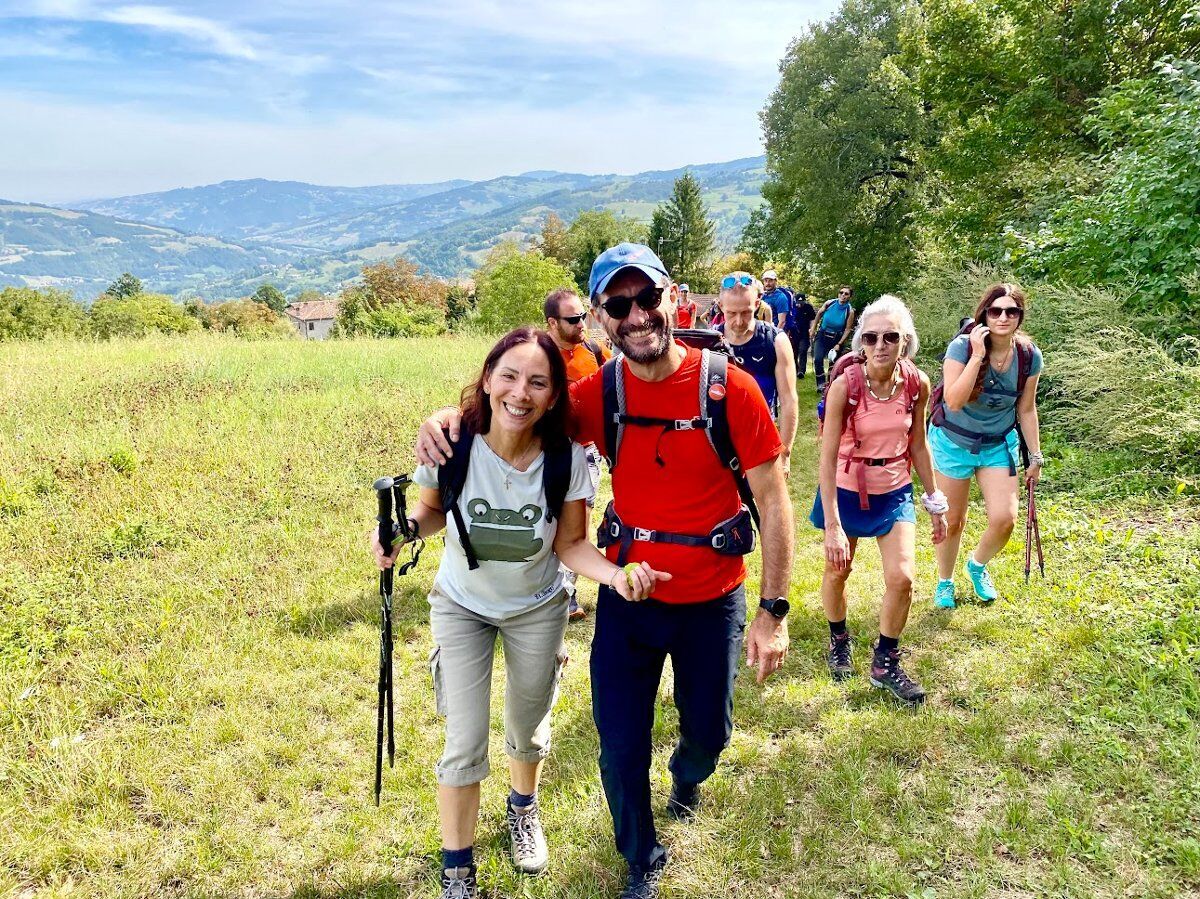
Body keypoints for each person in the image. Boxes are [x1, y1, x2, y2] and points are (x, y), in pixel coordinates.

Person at [416, 243, 794, 899]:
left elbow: (773, 498)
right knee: (620, 749)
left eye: (647, 297)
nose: (637, 314)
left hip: (714, 600)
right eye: (619, 304)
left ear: (671, 297)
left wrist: (773, 612)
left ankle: (689, 772)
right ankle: (641, 857)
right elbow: (514, 410)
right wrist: (448, 418)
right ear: (599, 317)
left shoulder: (728, 388)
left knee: (711, 733)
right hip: (627, 600)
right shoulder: (595, 397)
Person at [374, 327, 670, 899]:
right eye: (508, 376)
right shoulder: (453, 445)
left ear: (554, 396)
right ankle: (457, 873)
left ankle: (522, 807)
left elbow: (572, 545)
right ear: (487, 381)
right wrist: (406, 531)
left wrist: (615, 575)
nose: (520, 391)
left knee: (527, 727)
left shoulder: (565, 462)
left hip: (537, 607)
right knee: (464, 741)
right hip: (462, 606)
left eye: (538, 381)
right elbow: (432, 513)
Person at [811, 295, 947, 705]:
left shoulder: (916, 384)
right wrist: (833, 526)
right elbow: (827, 455)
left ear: (906, 340)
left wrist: (934, 500)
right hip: (848, 488)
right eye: (871, 337)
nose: (881, 344)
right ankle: (839, 638)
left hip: (894, 489)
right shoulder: (845, 387)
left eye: (892, 336)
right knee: (838, 571)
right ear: (861, 343)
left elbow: (919, 446)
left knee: (902, 578)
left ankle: (885, 661)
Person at [928, 283, 1044, 608]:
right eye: (996, 311)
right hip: (953, 441)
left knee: (1005, 519)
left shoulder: (1028, 357)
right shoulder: (962, 347)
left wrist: (1035, 456)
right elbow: (952, 399)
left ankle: (976, 565)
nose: (1003, 317)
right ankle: (945, 582)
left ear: (1020, 317)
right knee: (953, 520)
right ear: (985, 314)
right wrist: (978, 356)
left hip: (997, 444)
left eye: (1011, 311)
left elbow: (1026, 409)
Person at [545, 287, 611, 620]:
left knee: (577, 525)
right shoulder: (537, 354)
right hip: (544, 451)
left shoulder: (595, 351)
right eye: (573, 319)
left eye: (583, 316)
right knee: (546, 521)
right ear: (552, 323)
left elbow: (617, 385)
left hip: (586, 452)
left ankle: (566, 597)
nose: (582, 323)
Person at [714, 272, 798, 477]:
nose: (739, 321)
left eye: (746, 312)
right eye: (731, 313)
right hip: (718, 442)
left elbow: (788, 400)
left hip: (761, 438)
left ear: (758, 304)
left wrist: (785, 453)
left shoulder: (775, 341)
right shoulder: (711, 342)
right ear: (720, 306)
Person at [811, 285, 856, 391]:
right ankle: (820, 384)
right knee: (818, 359)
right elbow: (819, 314)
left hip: (837, 338)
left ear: (850, 297)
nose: (843, 295)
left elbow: (847, 329)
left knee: (833, 363)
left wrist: (839, 344)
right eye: (841, 292)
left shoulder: (849, 311)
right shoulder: (829, 303)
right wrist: (813, 328)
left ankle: (829, 385)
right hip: (822, 334)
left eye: (846, 294)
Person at [789, 292, 816, 379]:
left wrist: (812, 329)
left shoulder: (808, 307)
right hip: (794, 333)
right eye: (798, 303)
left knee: (803, 350)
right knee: (794, 352)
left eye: (801, 303)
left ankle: (801, 371)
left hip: (804, 333)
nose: (799, 305)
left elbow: (812, 319)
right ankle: (795, 370)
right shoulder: (792, 307)